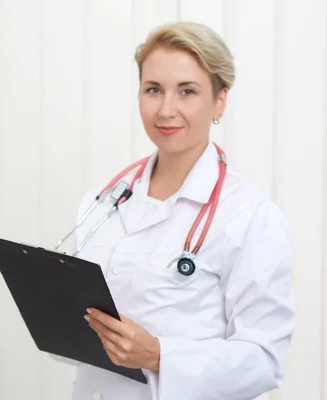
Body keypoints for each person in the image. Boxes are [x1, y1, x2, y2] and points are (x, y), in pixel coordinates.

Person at [63, 22, 295, 399]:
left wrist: (160, 355)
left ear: (220, 99)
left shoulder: (250, 215)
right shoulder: (101, 201)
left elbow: (264, 359)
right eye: (153, 90)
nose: (166, 110)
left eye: (187, 92)